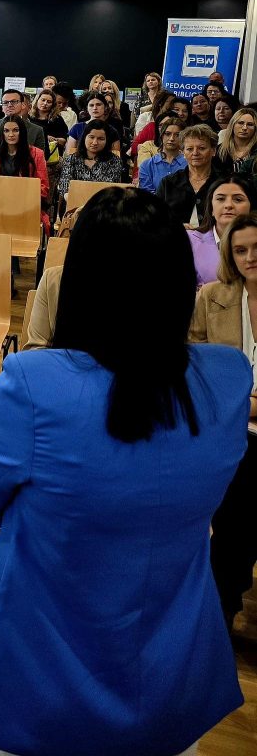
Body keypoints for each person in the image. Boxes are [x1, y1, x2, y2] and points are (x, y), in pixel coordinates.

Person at [0, 187, 250, 756]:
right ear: (179, 281)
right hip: (167, 668)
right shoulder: (228, 379)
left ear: (81, 280)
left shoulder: (31, 384)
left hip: (40, 667)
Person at [189, 212, 257, 630]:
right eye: (241, 250)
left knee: (241, 515)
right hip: (229, 426)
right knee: (238, 512)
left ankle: (222, 603)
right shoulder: (211, 297)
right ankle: (221, 608)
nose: (251, 257)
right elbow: (195, 365)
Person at [0, 116, 50, 231]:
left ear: (22, 132)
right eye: (6, 130)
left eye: (16, 130)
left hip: (25, 200)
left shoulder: (37, 154)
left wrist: (18, 193)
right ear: (2, 133)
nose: (11, 134)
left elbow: (44, 187)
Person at [186, 177, 255, 289]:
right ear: (211, 209)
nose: (228, 205)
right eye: (221, 199)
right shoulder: (189, 240)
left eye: (238, 199)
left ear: (251, 207)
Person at [158, 125, 224, 227]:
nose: (195, 153)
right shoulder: (168, 183)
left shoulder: (225, 182)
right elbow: (158, 219)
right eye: (189, 149)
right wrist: (177, 227)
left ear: (213, 151)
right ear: (183, 152)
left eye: (202, 148)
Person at [57, 120, 127, 202]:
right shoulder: (71, 159)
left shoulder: (115, 161)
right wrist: (74, 201)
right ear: (84, 137)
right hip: (75, 204)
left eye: (100, 139)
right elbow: (65, 187)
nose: (95, 142)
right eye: (91, 137)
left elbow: (111, 189)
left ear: (107, 140)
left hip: (103, 206)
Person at [138, 115, 187, 192]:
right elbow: (147, 195)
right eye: (167, 134)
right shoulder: (147, 165)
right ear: (162, 136)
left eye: (177, 135)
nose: (171, 139)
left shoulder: (189, 164)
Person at [130, 91, 177, 160]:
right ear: (161, 103)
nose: (173, 104)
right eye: (170, 101)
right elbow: (135, 146)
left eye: (174, 101)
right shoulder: (150, 124)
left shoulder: (178, 124)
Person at [217, 106, 257, 170]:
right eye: (241, 123)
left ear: (255, 129)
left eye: (250, 124)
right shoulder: (219, 151)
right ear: (232, 125)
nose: (244, 128)